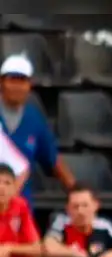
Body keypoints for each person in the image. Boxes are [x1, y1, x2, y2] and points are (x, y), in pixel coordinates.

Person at [0, 55, 74, 201]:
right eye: (12, 80)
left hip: (20, 207)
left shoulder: (34, 118)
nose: (17, 86)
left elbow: (52, 158)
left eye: (22, 81)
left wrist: (76, 191)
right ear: (1, 83)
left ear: (29, 85)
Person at [0, 162, 41, 257]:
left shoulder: (20, 206)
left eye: (7, 183)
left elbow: (37, 249)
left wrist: (8, 248)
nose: (1, 188)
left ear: (14, 188)